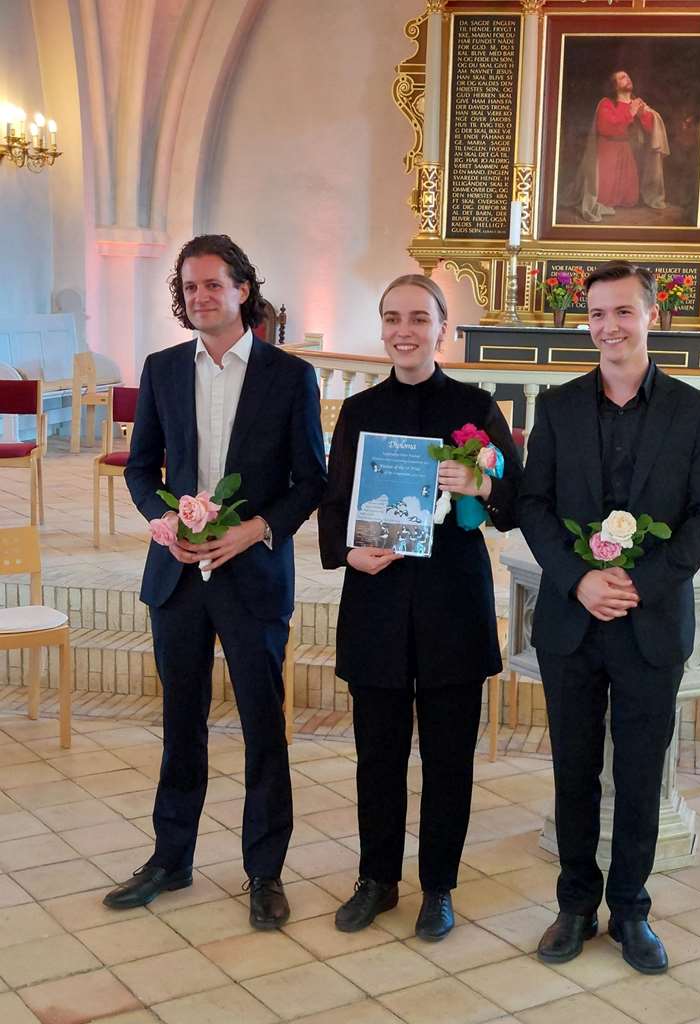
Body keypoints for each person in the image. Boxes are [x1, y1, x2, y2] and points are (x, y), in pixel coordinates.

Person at [104, 234, 326, 927]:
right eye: (190, 286)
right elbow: (143, 469)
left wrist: (254, 529)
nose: (201, 297)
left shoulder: (289, 377)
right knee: (180, 723)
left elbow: (311, 479)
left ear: (242, 291)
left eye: (213, 285)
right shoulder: (163, 369)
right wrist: (161, 522)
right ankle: (171, 858)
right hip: (176, 578)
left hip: (251, 572)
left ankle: (265, 872)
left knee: (264, 726)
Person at [518, 261, 700, 973]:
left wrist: (640, 582)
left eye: (623, 312)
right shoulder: (556, 406)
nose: (609, 326)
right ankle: (576, 904)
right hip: (572, 622)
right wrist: (579, 579)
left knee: (639, 774)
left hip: (649, 621)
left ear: (651, 318)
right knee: (575, 771)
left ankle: (631, 910)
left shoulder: (694, 409)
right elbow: (534, 506)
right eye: (598, 314)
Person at [318, 274, 523, 941]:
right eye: (391, 318)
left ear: (442, 327)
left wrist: (480, 480)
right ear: (382, 328)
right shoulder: (358, 410)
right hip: (376, 600)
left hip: (452, 606)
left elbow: (515, 503)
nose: (403, 330)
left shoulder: (475, 405)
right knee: (376, 756)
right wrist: (349, 554)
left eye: (417, 318)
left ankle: (439, 886)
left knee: (448, 759)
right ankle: (376, 879)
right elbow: (334, 499)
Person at [580, 70, 670, 223]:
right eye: (622, 78)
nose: (627, 79)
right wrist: (631, 112)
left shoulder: (637, 103)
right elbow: (606, 128)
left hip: (626, 152)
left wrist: (644, 114)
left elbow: (651, 131)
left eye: (628, 76)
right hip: (607, 151)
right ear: (614, 86)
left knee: (630, 199)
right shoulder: (606, 103)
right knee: (604, 198)